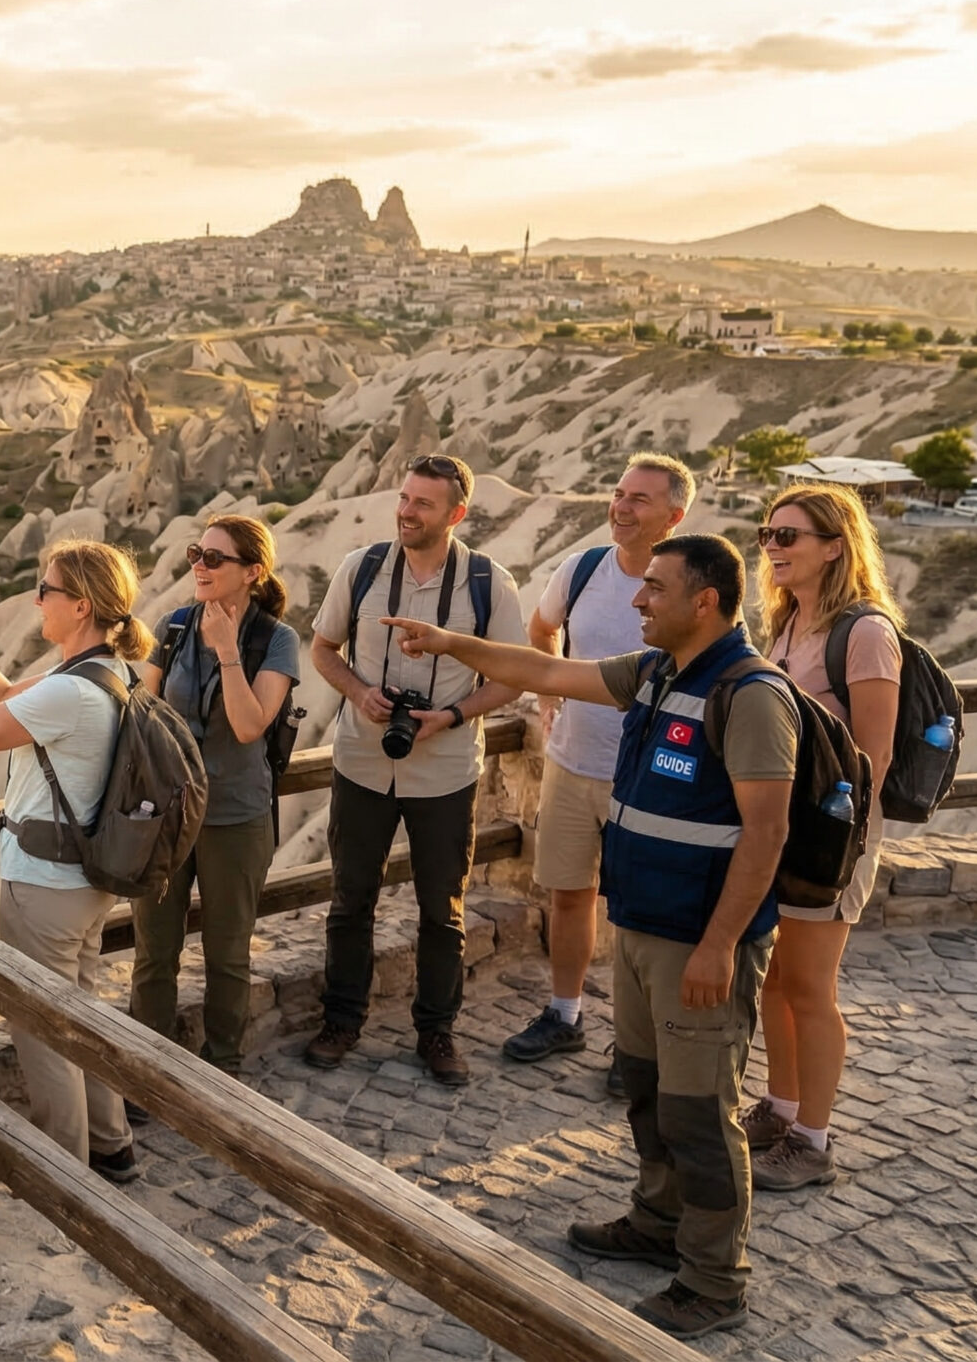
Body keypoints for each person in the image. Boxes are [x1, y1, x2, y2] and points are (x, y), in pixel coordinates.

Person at [381, 533, 795, 1340]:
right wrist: (446, 641)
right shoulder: (656, 673)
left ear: (703, 602)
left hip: (697, 941)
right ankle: (657, 1218)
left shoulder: (749, 695)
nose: (636, 601)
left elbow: (767, 833)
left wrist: (718, 946)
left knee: (702, 1112)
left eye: (655, 590)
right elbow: (542, 670)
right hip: (642, 926)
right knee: (646, 1085)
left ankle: (714, 1279)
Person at [0, 539, 151, 1184]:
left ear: (78, 605)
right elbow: (6, 696)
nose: (35, 600)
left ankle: (64, 1178)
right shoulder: (106, 671)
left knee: (45, 1033)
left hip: (44, 885)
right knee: (80, 1012)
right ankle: (112, 1146)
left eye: (44, 590)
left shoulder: (71, 693)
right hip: (85, 880)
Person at [305, 454, 527, 1085]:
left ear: (456, 514)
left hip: (447, 772)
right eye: (404, 498)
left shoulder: (489, 584)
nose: (406, 511)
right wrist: (358, 692)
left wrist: (451, 715)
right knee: (351, 901)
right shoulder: (363, 568)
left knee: (442, 910)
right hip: (361, 762)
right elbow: (323, 649)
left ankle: (437, 1032)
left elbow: (512, 677)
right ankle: (342, 1019)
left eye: (423, 503)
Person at [505, 455, 692, 1088]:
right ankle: (566, 1014)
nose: (622, 506)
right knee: (568, 895)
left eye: (640, 498)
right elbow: (541, 630)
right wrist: (548, 693)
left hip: (649, 779)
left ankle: (638, 1046)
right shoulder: (581, 569)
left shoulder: (690, 585)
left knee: (642, 915)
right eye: (619, 493)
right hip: (571, 763)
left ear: (675, 514)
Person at [744, 483, 901, 1192]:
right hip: (786, 832)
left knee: (810, 986)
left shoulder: (863, 633)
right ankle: (780, 1108)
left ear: (834, 547)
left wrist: (828, 843)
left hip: (830, 842)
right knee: (779, 980)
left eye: (789, 537)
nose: (772, 549)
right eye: (767, 534)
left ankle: (814, 1139)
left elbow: (873, 754)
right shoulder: (788, 625)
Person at [135, 515, 299, 1076]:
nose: (199, 567)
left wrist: (228, 651)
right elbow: (143, 714)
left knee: (227, 956)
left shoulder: (275, 639)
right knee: (155, 954)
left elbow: (251, 725)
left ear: (253, 572)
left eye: (214, 558)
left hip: (235, 817)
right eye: (195, 555)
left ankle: (221, 1068)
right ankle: (145, 1070)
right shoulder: (175, 628)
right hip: (168, 818)